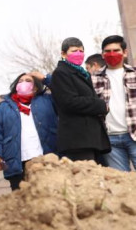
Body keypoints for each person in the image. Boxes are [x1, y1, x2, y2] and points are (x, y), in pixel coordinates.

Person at [0, 73, 58, 190]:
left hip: (45, 158)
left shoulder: (48, 101)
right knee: (22, 201)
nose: (23, 83)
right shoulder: (4, 107)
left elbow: (63, 91)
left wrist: (46, 79)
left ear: (35, 86)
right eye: (20, 81)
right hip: (17, 162)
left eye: (28, 80)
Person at [52, 37, 110, 163]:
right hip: (77, 139)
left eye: (80, 50)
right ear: (63, 54)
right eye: (74, 51)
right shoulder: (61, 73)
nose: (78, 54)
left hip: (91, 137)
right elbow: (69, 102)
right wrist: (100, 105)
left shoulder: (83, 73)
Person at [91, 35, 136, 172]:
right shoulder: (93, 79)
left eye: (116, 50)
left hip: (134, 135)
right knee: (121, 185)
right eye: (107, 51)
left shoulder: (134, 74)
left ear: (125, 52)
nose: (112, 54)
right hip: (110, 140)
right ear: (102, 54)